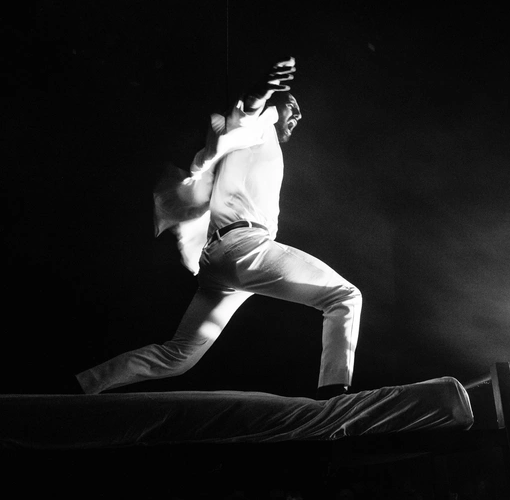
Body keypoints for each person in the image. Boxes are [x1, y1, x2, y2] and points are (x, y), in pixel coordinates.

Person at [73, 57, 362, 399]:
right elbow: (246, 114)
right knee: (344, 297)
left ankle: (82, 385)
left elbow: (236, 125)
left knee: (177, 356)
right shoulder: (261, 129)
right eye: (292, 106)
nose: (298, 115)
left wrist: (261, 98)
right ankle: (335, 396)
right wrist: (260, 92)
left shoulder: (244, 146)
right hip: (244, 248)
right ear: (274, 105)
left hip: (219, 261)